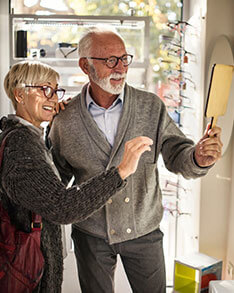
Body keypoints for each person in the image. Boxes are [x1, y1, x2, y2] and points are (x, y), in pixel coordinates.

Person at [49, 27, 223, 293]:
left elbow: (178, 154)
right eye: (110, 60)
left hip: (144, 231)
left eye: (124, 58)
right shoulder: (65, 120)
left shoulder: (150, 106)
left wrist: (198, 158)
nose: (120, 68)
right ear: (85, 65)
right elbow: (54, 183)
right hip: (91, 234)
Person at [0, 60, 153, 292]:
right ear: (20, 95)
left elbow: (46, 187)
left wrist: (54, 124)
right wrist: (121, 172)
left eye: (55, 90)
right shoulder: (21, 146)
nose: (53, 98)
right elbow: (62, 206)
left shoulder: (28, 136)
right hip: (28, 276)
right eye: (45, 90)